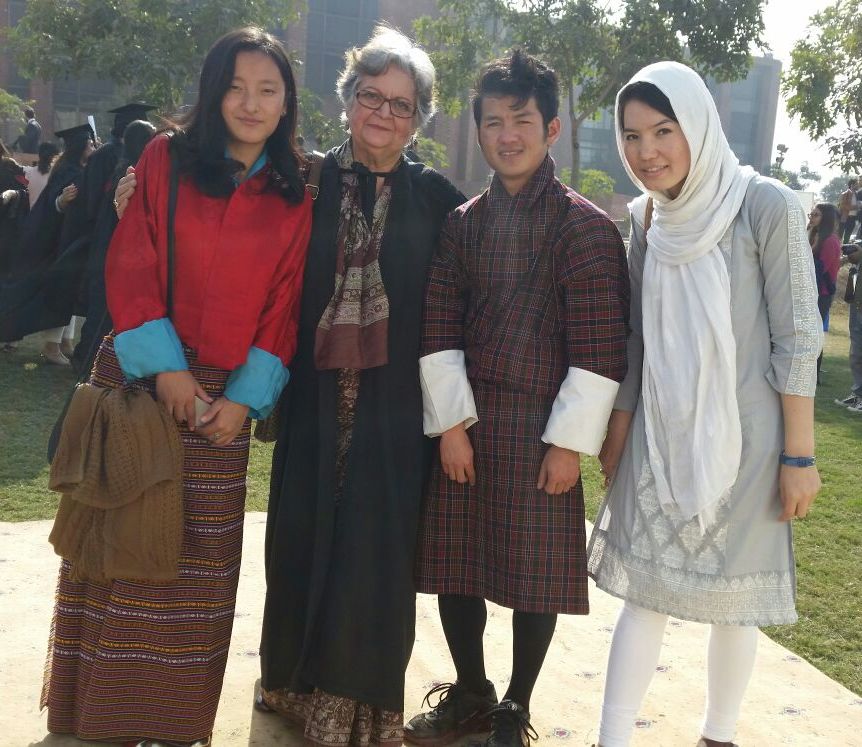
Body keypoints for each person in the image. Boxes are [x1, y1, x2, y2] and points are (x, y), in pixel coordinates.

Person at [40, 26, 312, 747]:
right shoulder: (164, 160)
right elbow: (133, 262)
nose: (250, 103)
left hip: (221, 408)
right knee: (123, 548)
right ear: (212, 90)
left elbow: (283, 303)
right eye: (235, 86)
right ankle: (97, 718)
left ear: (288, 101)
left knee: (195, 568)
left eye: (268, 89)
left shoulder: (295, 194)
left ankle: (169, 721)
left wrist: (243, 401)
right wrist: (165, 369)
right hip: (141, 378)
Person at [585, 61, 822, 747]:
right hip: (662, 432)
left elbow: (799, 337)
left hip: (749, 442)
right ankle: (612, 737)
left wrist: (799, 455)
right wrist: (619, 433)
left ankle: (719, 734)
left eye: (664, 130)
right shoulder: (646, 217)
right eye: (631, 135)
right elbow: (635, 339)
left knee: (733, 602)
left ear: (699, 126)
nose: (646, 151)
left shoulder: (764, 205)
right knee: (646, 594)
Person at [407, 50, 630, 747]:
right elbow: (439, 325)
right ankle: (471, 689)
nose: (508, 134)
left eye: (523, 120)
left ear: (553, 128)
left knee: (535, 575)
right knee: (456, 562)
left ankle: (515, 701)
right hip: (469, 420)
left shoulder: (585, 228)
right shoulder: (463, 224)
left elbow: (600, 349)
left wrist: (569, 444)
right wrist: (449, 426)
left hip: (544, 427)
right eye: (494, 121)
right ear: (477, 130)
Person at [254, 25, 465, 746]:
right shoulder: (301, 181)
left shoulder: (437, 198)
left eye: (401, 105)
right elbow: (225, 199)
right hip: (313, 397)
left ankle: (359, 706)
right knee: (299, 537)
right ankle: (289, 682)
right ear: (347, 100)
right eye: (370, 96)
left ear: (419, 119)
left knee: (376, 553)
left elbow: (476, 284)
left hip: (394, 408)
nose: (383, 113)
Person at [0, 122, 94, 364]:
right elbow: (53, 204)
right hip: (55, 242)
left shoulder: (78, 169)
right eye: (90, 143)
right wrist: (62, 201)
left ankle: (65, 342)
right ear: (80, 147)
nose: (93, 147)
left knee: (68, 292)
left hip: (68, 240)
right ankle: (52, 345)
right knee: (59, 292)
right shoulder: (67, 171)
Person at [74, 119, 157, 374]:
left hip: (103, 247)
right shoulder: (133, 176)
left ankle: (85, 359)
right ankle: (91, 363)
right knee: (106, 312)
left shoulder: (119, 169)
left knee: (100, 308)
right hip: (118, 252)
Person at [834, 244, 862, 412]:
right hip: (856, 308)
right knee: (856, 353)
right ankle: (858, 394)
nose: (848, 255)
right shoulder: (855, 266)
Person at [808, 203, 841, 338]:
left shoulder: (830, 240)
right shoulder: (815, 235)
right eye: (811, 214)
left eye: (816, 215)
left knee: (814, 335)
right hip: (813, 291)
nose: (811, 218)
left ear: (826, 218)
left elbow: (819, 269)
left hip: (822, 293)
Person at [22, 141, 60, 208]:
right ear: (53, 157)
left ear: (39, 155)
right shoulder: (57, 174)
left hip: (32, 215)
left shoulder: (28, 172)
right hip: (49, 216)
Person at [840, 178, 858, 243]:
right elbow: (843, 206)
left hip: (853, 218)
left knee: (847, 237)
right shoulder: (845, 194)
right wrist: (856, 207)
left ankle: (845, 251)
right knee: (840, 236)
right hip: (845, 218)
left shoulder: (857, 194)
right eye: (856, 184)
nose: (858, 185)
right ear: (852, 185)